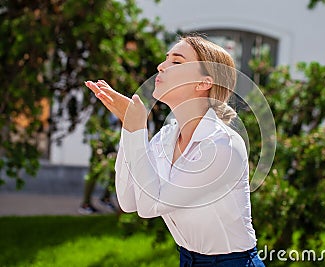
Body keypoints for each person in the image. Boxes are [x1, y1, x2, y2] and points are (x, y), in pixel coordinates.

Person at [85, 35, 265, 267]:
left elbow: (151, 207)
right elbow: (129, 201)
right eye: (165, 59)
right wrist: (129, 129)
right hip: (187, 260)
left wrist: (138, 127)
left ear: (203, 83)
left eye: (177, 62)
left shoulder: (223, 146)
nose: (161, 66)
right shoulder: (166, 137)